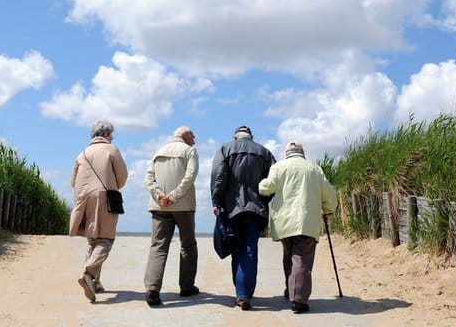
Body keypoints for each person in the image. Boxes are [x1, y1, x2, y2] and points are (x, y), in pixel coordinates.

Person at [258, 141, 338, 313]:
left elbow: (267, 187)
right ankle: (299, 300)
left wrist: (259, 185)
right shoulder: (314, 169)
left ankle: (291, 290)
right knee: (301, 258)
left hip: (284, 222)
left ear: (287, 153)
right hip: (306, 221)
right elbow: (330, 194)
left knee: (289, 256)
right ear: (303, 153)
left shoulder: (279, 167)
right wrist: (329, 210)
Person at [210, 125, 276, 311]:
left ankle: (241, 292)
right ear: (251, 136)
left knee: (235, 247)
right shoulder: (265, 153)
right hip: (256, 209)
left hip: (232, 209)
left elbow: (219, 176)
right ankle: (244, 294)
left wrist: (216, 201)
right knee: (249, 250)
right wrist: (265, 199)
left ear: (235, 136)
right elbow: (273, 182)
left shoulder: (225, 149)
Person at [69, 120, 128, 302]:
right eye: (112, 134)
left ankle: (95, 282)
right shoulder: (112, 149)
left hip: (83, 201)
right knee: (106, 240)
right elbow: (123, 175)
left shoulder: (82, 154)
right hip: (105, 199)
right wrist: (112, 186)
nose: (113, 137)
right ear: (106, 134)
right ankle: (88, 273)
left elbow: (73, 181)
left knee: (93, 241)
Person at [143, 126, 200, 306]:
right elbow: (190, 176)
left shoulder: (158, 152)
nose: (195, 139)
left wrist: (160, 196)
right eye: (193, 136)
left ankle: (152, 290)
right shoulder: (189, 151)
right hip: (183, 207)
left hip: (159, 206)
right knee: (188, 245)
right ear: (184, 136)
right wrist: (173, 196)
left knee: (158, 246)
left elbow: (148, 179)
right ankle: (186, 287)